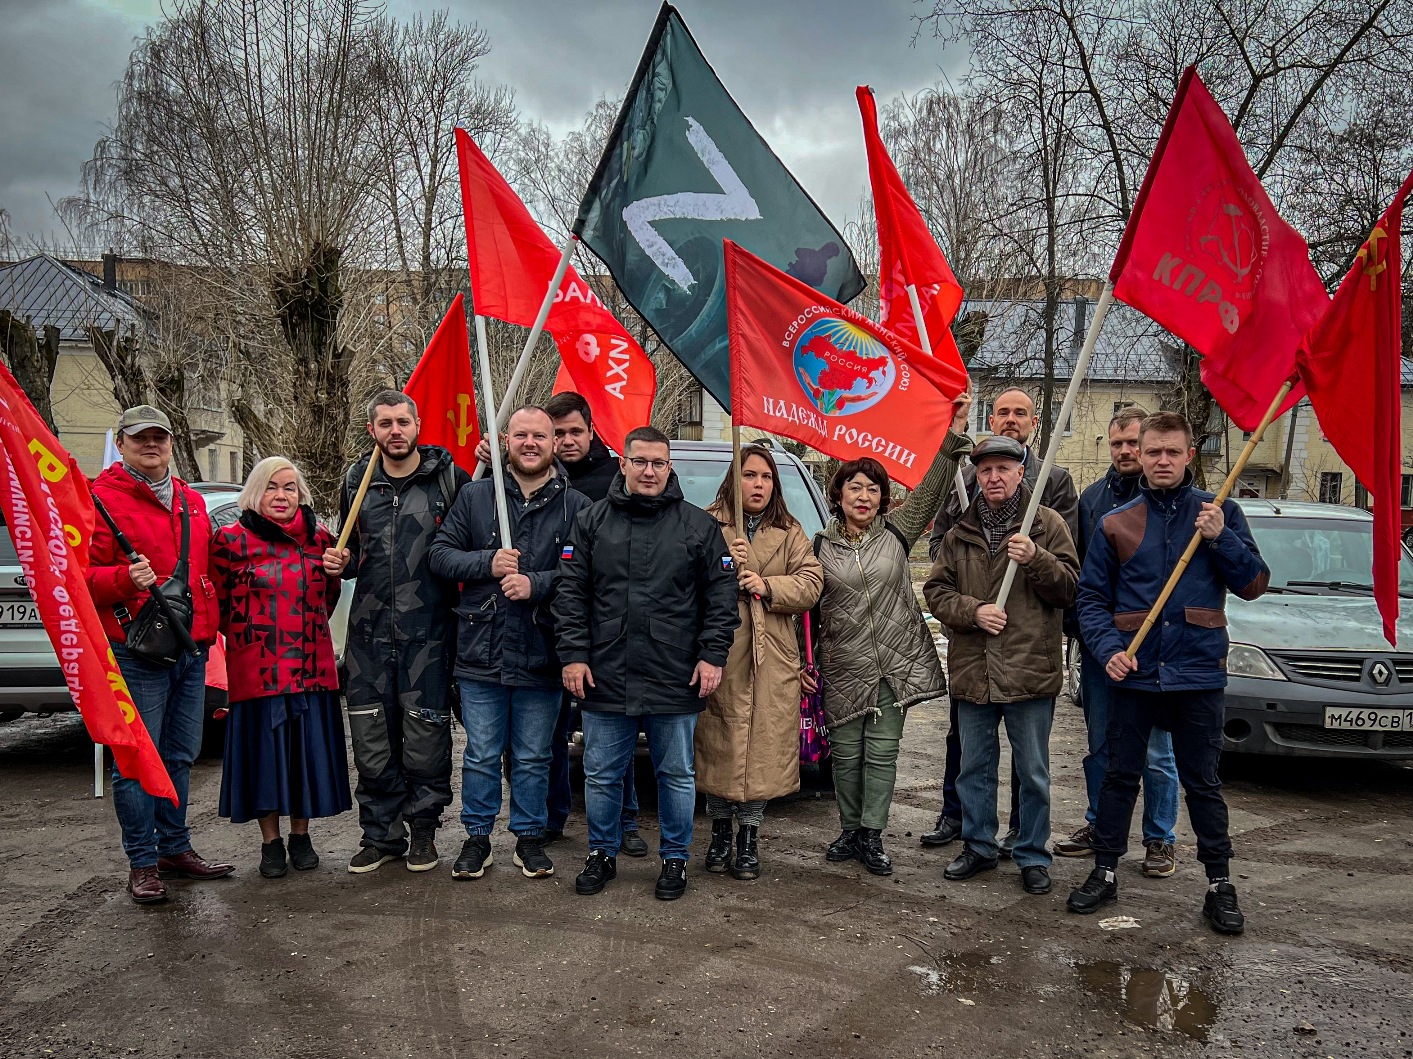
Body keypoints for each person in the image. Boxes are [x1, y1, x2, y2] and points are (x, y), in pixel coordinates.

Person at [1069, 412, 1269, 935]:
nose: (1161, 460)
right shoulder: (1119, 520)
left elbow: (1253, 584)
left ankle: (1219, 886)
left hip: (1198, 674)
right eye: (1152, 451)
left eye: (1171, 452)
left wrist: (1221, 538)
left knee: (1203, 784)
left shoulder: (1220, 511)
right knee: (1118, 777)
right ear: (1141, 454)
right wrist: (1109, 648)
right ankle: (1105, 870)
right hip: (1134, 674)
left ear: (1188, 456)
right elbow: (1090, 597)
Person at [553, 426, 739, 900]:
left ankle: (675, 859)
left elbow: (721, 601)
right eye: (640, 462)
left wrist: (711, 656)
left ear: (669, 466)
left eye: (658, 462)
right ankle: (602, 853)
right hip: (605, 671)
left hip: (674, 673)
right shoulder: (591, 523)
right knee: (600, 774)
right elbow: (570, 594)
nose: (649, 471)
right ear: (625, 464)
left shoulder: (699, 527)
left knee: (676, 775)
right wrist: (573, 655)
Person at [477, 391, 644, 854]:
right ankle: (550, 819)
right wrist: (490, 460)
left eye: (575, 431)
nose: (567, 440)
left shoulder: (619, 475)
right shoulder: (535, 473)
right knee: (542, 739)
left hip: (605, 628)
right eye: (560, 432)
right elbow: (500, 501)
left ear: (591, 432)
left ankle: (625, 822)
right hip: (543, 629)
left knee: (610, 728)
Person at [430, 406, 590, 882]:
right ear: (506, 439)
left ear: (553, 442)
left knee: (535, 754)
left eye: (540, 435)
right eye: (522, 435)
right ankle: (477, 837)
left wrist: (536, 583)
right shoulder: (477, 496)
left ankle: (529, 837)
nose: (531, 443)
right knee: (480, 752)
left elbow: (585, 574)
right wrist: (488, 563)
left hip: (542, 651)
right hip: (481, 650)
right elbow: (440, 556)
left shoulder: (576, 506)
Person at [815, 399, 973, 877]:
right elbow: (802, 604)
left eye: (873, 490)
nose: (863, 496)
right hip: (842, 666)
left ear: (883, 499)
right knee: (846, 755)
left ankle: (872, 834)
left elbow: (929, 491)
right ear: (838, 494)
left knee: (881, 753)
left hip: (892, 667)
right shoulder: (817, 545)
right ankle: (848, 829)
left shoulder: (897, 535)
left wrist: (953, 435)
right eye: (854, 488)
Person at [921, 386, 1080, 853]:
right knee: (975, 766)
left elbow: (1069, 587)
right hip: (975, 668)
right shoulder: (960, 530)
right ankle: (978, 845)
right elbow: (936, 591)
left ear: (1019, 472)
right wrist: (973, 611)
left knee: (1032, 770)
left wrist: (1036, 558)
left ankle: (1032, 852)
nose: (994, 477)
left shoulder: (1046, 524)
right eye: (985, 469)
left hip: (1030, 667)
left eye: (1003, 469)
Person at [87, 405, 232, 904]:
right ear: (122, 444)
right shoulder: (99, 500)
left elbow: (211, 566)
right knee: (135, 761)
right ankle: (143, 861)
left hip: (191, 646)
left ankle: (175, 847)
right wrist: (124, 578)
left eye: (159, 437)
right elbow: (80, 578)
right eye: (140, 438)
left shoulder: (190, 500)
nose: (151, 445)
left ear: (171, 443)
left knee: (179, 755)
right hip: (137, 650)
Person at [323, 390, 470, 874]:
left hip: (429, 633)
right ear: (373, 431)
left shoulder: (448, 479)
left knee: (425, 734)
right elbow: (347, 560)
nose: (395, 431)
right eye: (385, 423)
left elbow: (471, 543)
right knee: (370, 736)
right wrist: (336, 564)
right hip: (367, 635)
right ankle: (381, 834)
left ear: (417, 425)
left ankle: (423, 831)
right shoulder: (357, 482)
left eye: (403, 421)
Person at [1053, 406, 1181, 878]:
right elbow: (1082, 575)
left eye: (1133, 442)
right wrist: (1086, 634)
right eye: (1117, 444)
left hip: (1157, 651)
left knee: (1156, 751)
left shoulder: (1172, 502)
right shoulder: (1092, 499)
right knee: (1101, 743)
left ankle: (1160, 838)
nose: (1126, 452)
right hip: (1101, 647)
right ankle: (1101, 825)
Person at [209, 458, 351, 877]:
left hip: (310, 668)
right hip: (257, 672)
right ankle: (270, 842)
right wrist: (254, 635)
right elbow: (216, 603)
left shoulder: (323, 539)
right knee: (266, 761)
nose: (281, 496)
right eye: (271, 487)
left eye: (290, 487)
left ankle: (300, 836)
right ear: (255, 493)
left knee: (303, 757)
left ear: (300, 494)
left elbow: (328, 597)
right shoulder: (229, 540)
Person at [696, 445, 822, 880]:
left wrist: (766, 584)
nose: (759, 485)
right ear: (735, 479)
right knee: (720, 743)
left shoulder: (790, 530)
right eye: (750, 476)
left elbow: (811, 583)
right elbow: (687, 580)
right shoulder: (708, 524)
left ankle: (748, 836)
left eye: (766, 478)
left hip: (773, 658)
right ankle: (719, 831)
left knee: (763, 748)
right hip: (722, 653)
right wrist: (727, 569)